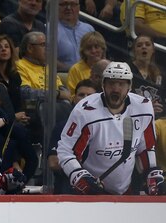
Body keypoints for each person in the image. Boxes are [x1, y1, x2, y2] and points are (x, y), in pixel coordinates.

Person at [57, 62, 164, 195]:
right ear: (103, 85)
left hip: (126, 189)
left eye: (121, 84)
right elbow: (65, 150)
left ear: (129, 86)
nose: (116, 89)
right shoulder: (85, 110)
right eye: (111, 83)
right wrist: (78, 175)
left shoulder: (144, 107)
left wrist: (151, 172)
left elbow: (145, 147)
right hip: (90, 191)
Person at [47, 78, 99, 194]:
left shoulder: (109, 126)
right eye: (81, 95)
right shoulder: (62, 126)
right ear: (74, 99)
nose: (85, 99)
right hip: (69, 189)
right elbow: (53, 162)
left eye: (90, 95)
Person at [16, 32, 72, 103]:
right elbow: (26, 93)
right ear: (30, 48)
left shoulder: (48, 67)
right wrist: (57, 94)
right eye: (43, 45)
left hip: (55, 105)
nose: (47, 49)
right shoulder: (19, 66)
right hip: (35, 108)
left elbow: (61, 88)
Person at [0, 34, 23, 118]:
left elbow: (18, 101)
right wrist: (13, 117)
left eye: (6, 47)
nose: (4, 49)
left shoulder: (15, 75)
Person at [127, 35, 164, 118]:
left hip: (157, 120)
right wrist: (147, 108)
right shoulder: (127, 70)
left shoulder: (160, 73)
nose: (144, 47)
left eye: (147, 44)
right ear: (134, 51)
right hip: (134, 117)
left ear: (153, 49)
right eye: (139, 45)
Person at [56, 0, 95, 72]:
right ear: (56, 7)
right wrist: (74, 71)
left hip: (89, 75)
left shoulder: (89, 29)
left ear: (79, 7)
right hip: (63, 76)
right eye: (64, 4)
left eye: (73, 4)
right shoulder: (49, 29)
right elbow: (47, 60)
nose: (68, 8)